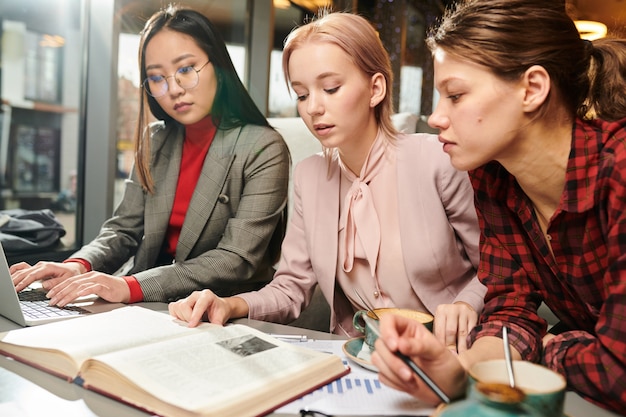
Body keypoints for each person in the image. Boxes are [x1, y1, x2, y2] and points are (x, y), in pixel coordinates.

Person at [168, 11, 486, 352]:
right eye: (302, 95)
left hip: (451, 353)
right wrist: (230, 305)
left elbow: (499, 271)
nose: (314, 108)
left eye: (331, 88)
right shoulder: (309, 176)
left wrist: (466, 305)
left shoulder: (437, 160)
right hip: (361, 359)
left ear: (375, 88)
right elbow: (291, 289)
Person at [371, 0, 626, 413]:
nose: (436, 117)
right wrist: (458, 369)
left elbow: (618, 370)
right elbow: (511, 312)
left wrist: (543, 350)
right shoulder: (493, 179)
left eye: (455, 95)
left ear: (532, 88)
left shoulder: (619, 174)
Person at [10, 6, 290, 305]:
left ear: (218, 67)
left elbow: (235, 259)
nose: (173, 89)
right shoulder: (156, 140)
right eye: (157, 78)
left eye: (185, 69)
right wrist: (77, 266)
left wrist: (129, 286)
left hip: (221, 307)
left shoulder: (264, 147)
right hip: (146, 302)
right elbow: (122, 230)